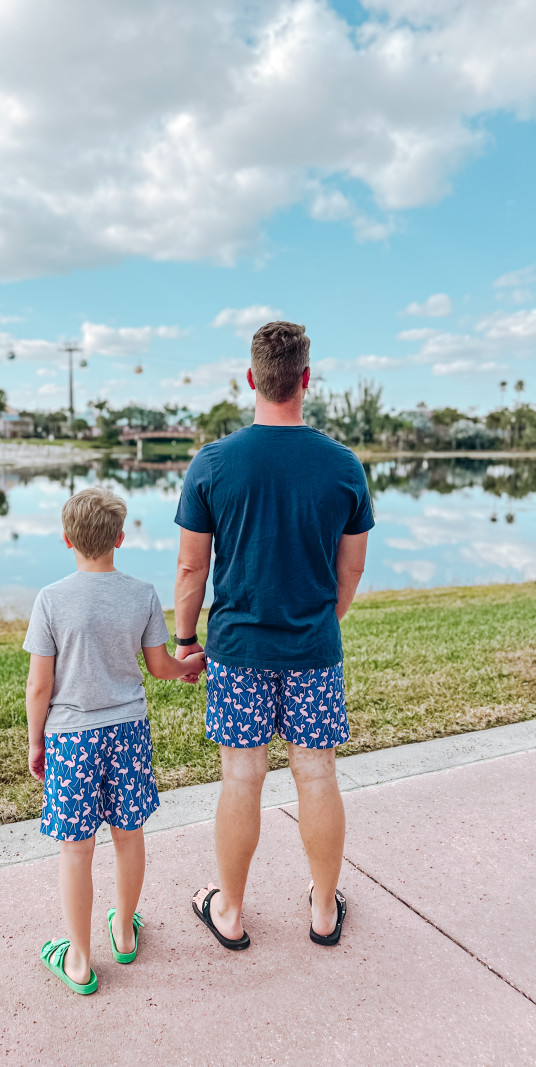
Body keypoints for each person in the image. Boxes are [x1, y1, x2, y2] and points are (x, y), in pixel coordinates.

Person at [173, 321, 373, 950]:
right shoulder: (343, 466)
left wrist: (184, 639)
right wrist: (323, 620)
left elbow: (190, 567)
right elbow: (352, 568)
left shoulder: (214, 463)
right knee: (316, 775)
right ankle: (321, 911)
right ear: (306, 380)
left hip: (238, 651)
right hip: (313, 648)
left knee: (241, 778)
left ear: (252, 378)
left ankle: (229, 912)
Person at [25, 486, 205, 995]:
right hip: (127, 733)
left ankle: (80, 962)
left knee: (76, 851)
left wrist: (36, 741)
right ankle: (124, 932)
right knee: (129, 836)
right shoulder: (141, 593)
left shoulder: (50, 600)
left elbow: (40, 685)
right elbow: (158, 665)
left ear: (66, 540)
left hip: (70, 740)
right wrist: (188, 666)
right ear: (120, 539)